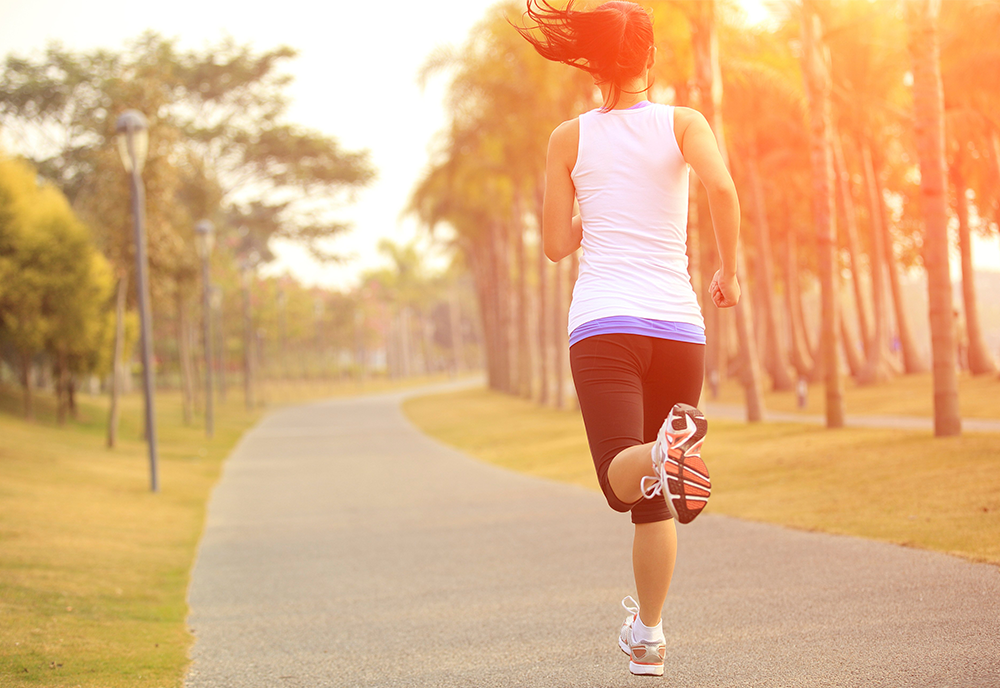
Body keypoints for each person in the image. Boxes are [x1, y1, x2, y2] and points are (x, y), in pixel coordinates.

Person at [514, 0, 741, 677]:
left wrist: (589, 224)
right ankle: (648, 636)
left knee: (624, 477)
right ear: (647, 58)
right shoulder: (684, 122)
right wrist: (730, 270)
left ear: (591, 62)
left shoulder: (569, 138)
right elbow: (724, 189)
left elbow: (556, 245)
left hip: (607, 325)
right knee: (652, 495)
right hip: (678, 326)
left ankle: (665, 448)